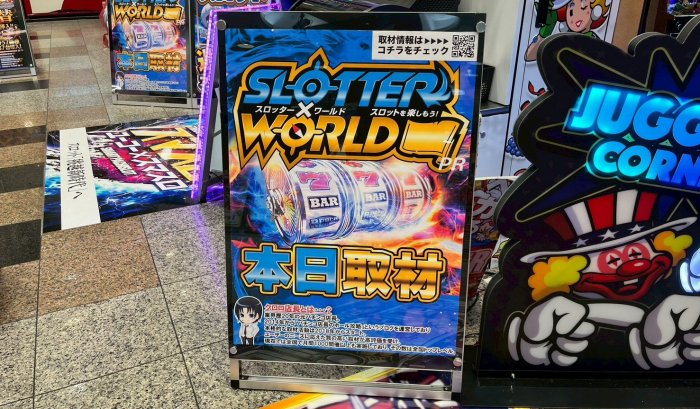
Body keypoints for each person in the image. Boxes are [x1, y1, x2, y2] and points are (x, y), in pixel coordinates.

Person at [524, 0, 612, 61]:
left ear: (595, 11)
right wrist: (547, 30)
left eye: (583, 8)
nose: (576, 15)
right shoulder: (560, 39)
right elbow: (529, 56)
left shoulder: (593, 42)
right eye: (571, 11)